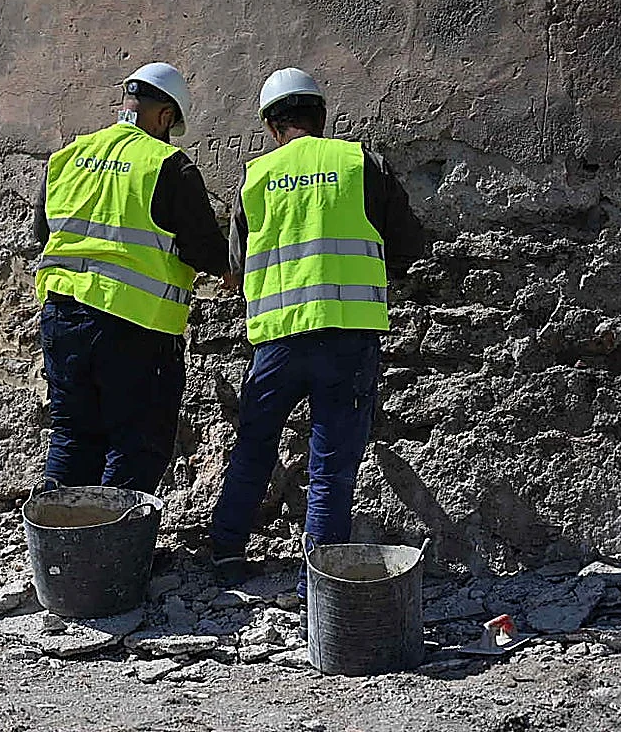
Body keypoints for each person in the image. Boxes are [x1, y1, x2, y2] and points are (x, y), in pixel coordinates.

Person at [209, 67, 424, 596]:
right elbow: (408, 245)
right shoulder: (360, 162)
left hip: (277, 339)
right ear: (322, 117)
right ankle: (320, 582)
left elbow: (235, 265)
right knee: (332, 463)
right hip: (346, 336)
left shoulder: (255, 177)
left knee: (254, 445)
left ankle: (226, 552)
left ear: (269, 125)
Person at [34, 62, 229, 493]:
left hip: (62, 318)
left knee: (72, 436)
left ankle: (61, 531)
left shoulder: (67, 156)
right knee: (137, 445)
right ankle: (113, 536)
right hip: (133, 327)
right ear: (165, 116)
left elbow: (44, 234)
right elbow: (205, 250)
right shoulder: (167, 164)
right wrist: (231, 268)